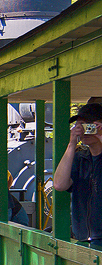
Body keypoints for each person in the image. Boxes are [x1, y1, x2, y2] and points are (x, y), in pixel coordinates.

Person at [53, 102, 102, 247]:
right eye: (79, 126)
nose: (84, 131)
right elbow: (59, 185)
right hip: (83, 239)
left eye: (89, 126)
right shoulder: (80, 159)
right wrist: (71, 144)